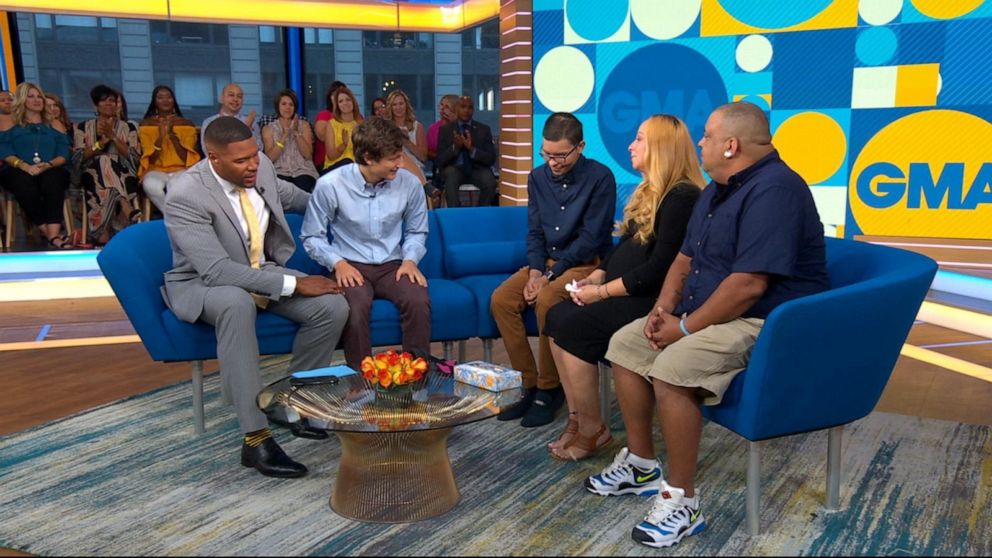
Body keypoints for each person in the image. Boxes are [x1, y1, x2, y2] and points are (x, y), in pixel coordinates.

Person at [589, 102, 829, 548]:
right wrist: (662, 312)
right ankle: (642, 463)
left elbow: (749, 285)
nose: (701, 143)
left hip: (768, 321)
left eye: (708, 136)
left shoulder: (775, 190)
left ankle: (683, 501)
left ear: (731, 145)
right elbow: (684, 260)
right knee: (626, 342)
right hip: (718, 314)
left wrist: (683, 330)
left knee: (673, 365)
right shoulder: (715, 190)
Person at [162, 116, 349, 478]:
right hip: (203, 282)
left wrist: (344, 205)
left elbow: (292, 196)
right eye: (241, 161)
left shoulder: (258, 165)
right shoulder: (185, 194)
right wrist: (295, 285)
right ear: (214, 159)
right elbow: (216, 271)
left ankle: (293, 403)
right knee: (235, 302)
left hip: (259, 270)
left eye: (255, 155)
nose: (254, 165)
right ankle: (255, 438)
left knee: (331, 305)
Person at [544, 115, 702, 461]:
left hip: (654, 300)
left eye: (640, 139)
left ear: (661, 147)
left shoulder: (683, 197)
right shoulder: (649, 191)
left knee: (573, 325)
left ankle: (592, 428)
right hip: (630, 291)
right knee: (556, 316)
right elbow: (624, 250)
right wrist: (596, 277)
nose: (631, 145)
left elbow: (659, 269)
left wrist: (600, 294)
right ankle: (579, 419)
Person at [490, 112, 616, 427]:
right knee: (502, 300)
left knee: (547, 300)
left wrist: (548, 276)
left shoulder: (601, 177)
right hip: (546, 262)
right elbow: (534, 231)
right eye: (547, 154)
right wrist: (535, 271)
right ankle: (527, 384)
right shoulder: (536, 177)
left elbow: (592, 238)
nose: (553, 162)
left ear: (581, 146)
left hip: (584, 264)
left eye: (561, 155)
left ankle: (549, 388)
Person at [301, 117, 430, 371]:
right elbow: (311, 236)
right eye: (394, 158)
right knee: (356, 307)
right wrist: (337, 263)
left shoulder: (410, 184)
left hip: (393, 264)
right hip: (350, 264)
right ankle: (362, 383)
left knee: (418, 299)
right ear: (369, 158)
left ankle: (417, 379)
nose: (401, 164)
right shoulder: (331, 185)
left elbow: (417, 230)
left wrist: (410, 260)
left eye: (400, 156)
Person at [0, 82, 72, 249]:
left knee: (53, 178)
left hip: (51, 167)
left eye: (39, 96)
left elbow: (64, 154)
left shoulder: (55, 124)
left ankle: (53, 233)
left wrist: (49, 164)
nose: (37, 100)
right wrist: (24, 166)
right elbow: (4, 151)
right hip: (17, 169)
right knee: (23, 182)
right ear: (22, 100)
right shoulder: (8, 122)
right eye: (31, 96)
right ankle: (49, 233)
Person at [72, 85, 142, 244]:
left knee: (106, 164)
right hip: (91, 174)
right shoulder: (84, 127)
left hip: (124, 173)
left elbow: (135, 157)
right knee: (104, 161)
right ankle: (124, 206)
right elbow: (78, 157)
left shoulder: (128, 127)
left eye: (112, 100)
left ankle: (99, 232)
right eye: (104, 100)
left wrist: (114, 138)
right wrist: (100, 144)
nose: (109, 104)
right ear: (95, 106)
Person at [138, 85, 201, 212]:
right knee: (151, 185)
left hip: (181, 169)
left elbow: (187, 159)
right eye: (160, 97)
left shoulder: (186, 124)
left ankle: (173, 217)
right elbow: (151, 159)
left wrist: (172, 136)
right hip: (156, 170)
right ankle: (172, 215)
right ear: (154, 102)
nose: (165, 100)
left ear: (174, 101)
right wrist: (161, 136)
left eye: (169, 97)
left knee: (176, 185)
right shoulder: (146, 125)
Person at [435, 96, 497, 207]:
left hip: (476, 169)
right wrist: (455, 147)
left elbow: (491, 158)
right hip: (454, 169)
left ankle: (481, 213)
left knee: (490, 181)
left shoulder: (484, 129)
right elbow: (440, 160)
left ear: (473, 110)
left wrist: (472, 150)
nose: (466, 110)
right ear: (456, 108)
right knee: (451, 175)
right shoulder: (446, 130)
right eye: (463, 107)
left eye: (470, 108)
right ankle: (455, 214)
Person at [262, 89, 318, 193]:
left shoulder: (304, 125)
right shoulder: (268, 128)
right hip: (279, 171)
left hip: (303, 170)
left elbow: (307, 155)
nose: (287, 107)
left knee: (304, 189)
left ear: (295, 107)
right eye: (284, 104)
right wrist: (284, 136)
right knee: (281, 191)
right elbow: (270, 158)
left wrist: (296, 133)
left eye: (291, 104)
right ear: (278, 106)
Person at [201, 83, 262, 153]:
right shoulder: (209, 122)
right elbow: (207, 150)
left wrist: (249, 130)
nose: (235, 99)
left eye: (239, 96)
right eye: (231, 95)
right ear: (221, 98)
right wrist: (245, 128)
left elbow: (259, 149)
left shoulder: (250, 122)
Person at [384, 89, 427, 185]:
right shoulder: (386, 127)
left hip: (414, 167)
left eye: (401, 104)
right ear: (390, 107)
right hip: (393, 165)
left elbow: (423, 157)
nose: (398, 107)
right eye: (394, 105)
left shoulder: (417, 126)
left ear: (406, 105)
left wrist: (406, 141)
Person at [321, 86, 363, 173]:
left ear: (353, 102)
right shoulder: (331, 124)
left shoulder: (360, 125)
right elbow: (331, 156)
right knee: (348, 162)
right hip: (334, 169)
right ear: (337, 105)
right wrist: (343, 145)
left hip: (356, 168)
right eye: (341, 101)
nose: (345, 103)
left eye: (348, 99)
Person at [313, 80, 347, 173]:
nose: (339, 98)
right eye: (335, 95)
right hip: (327, 161)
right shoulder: (324, 115)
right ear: (330, 98)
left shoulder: (356, 116)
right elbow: (323, 136)